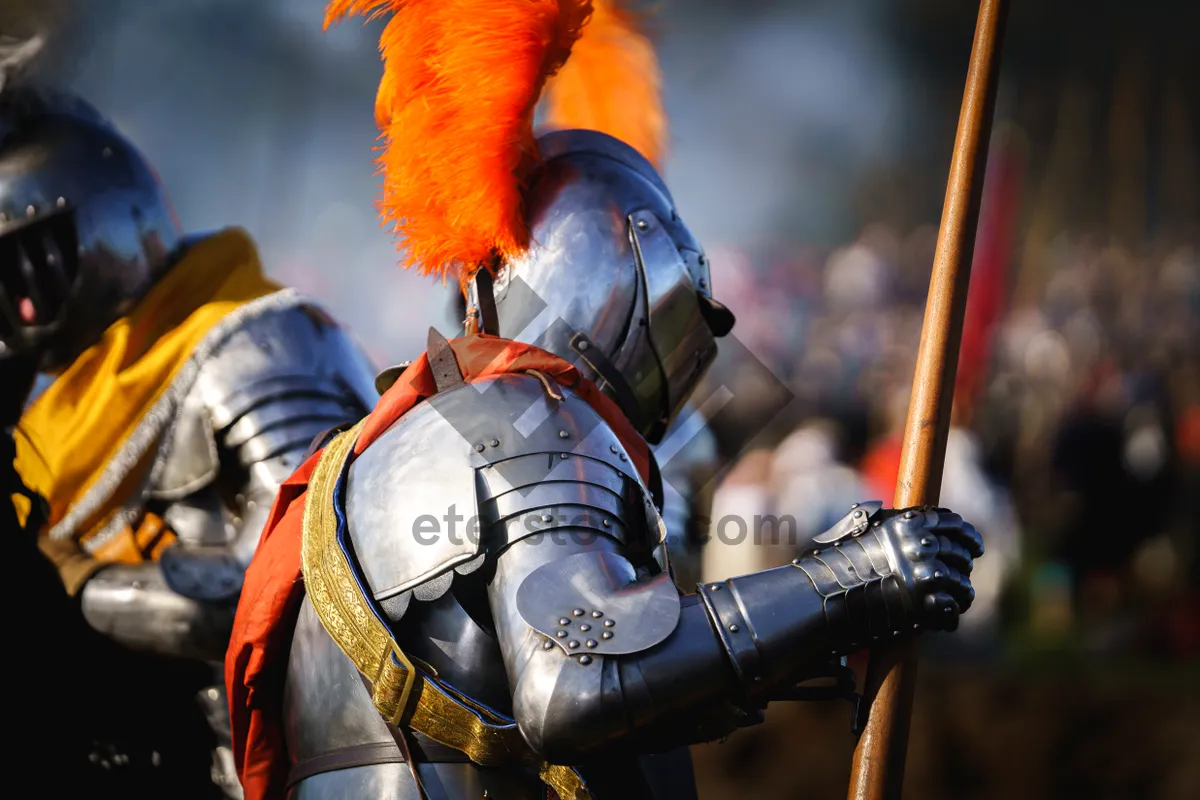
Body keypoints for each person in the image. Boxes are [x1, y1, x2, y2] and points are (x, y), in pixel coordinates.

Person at [226, 2, 984, 799]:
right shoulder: (530, 427)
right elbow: (575, 683)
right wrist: (856, 579)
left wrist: (816, 606)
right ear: (630, 276)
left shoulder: (398, 438)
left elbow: (596, 669)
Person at [2, 82, 378, 797]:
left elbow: (307, 588)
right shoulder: (48, 409)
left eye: (30, 259)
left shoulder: (258, 342)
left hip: (283, 768)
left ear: (98, 220)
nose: (18, 304)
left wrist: (73, 585)